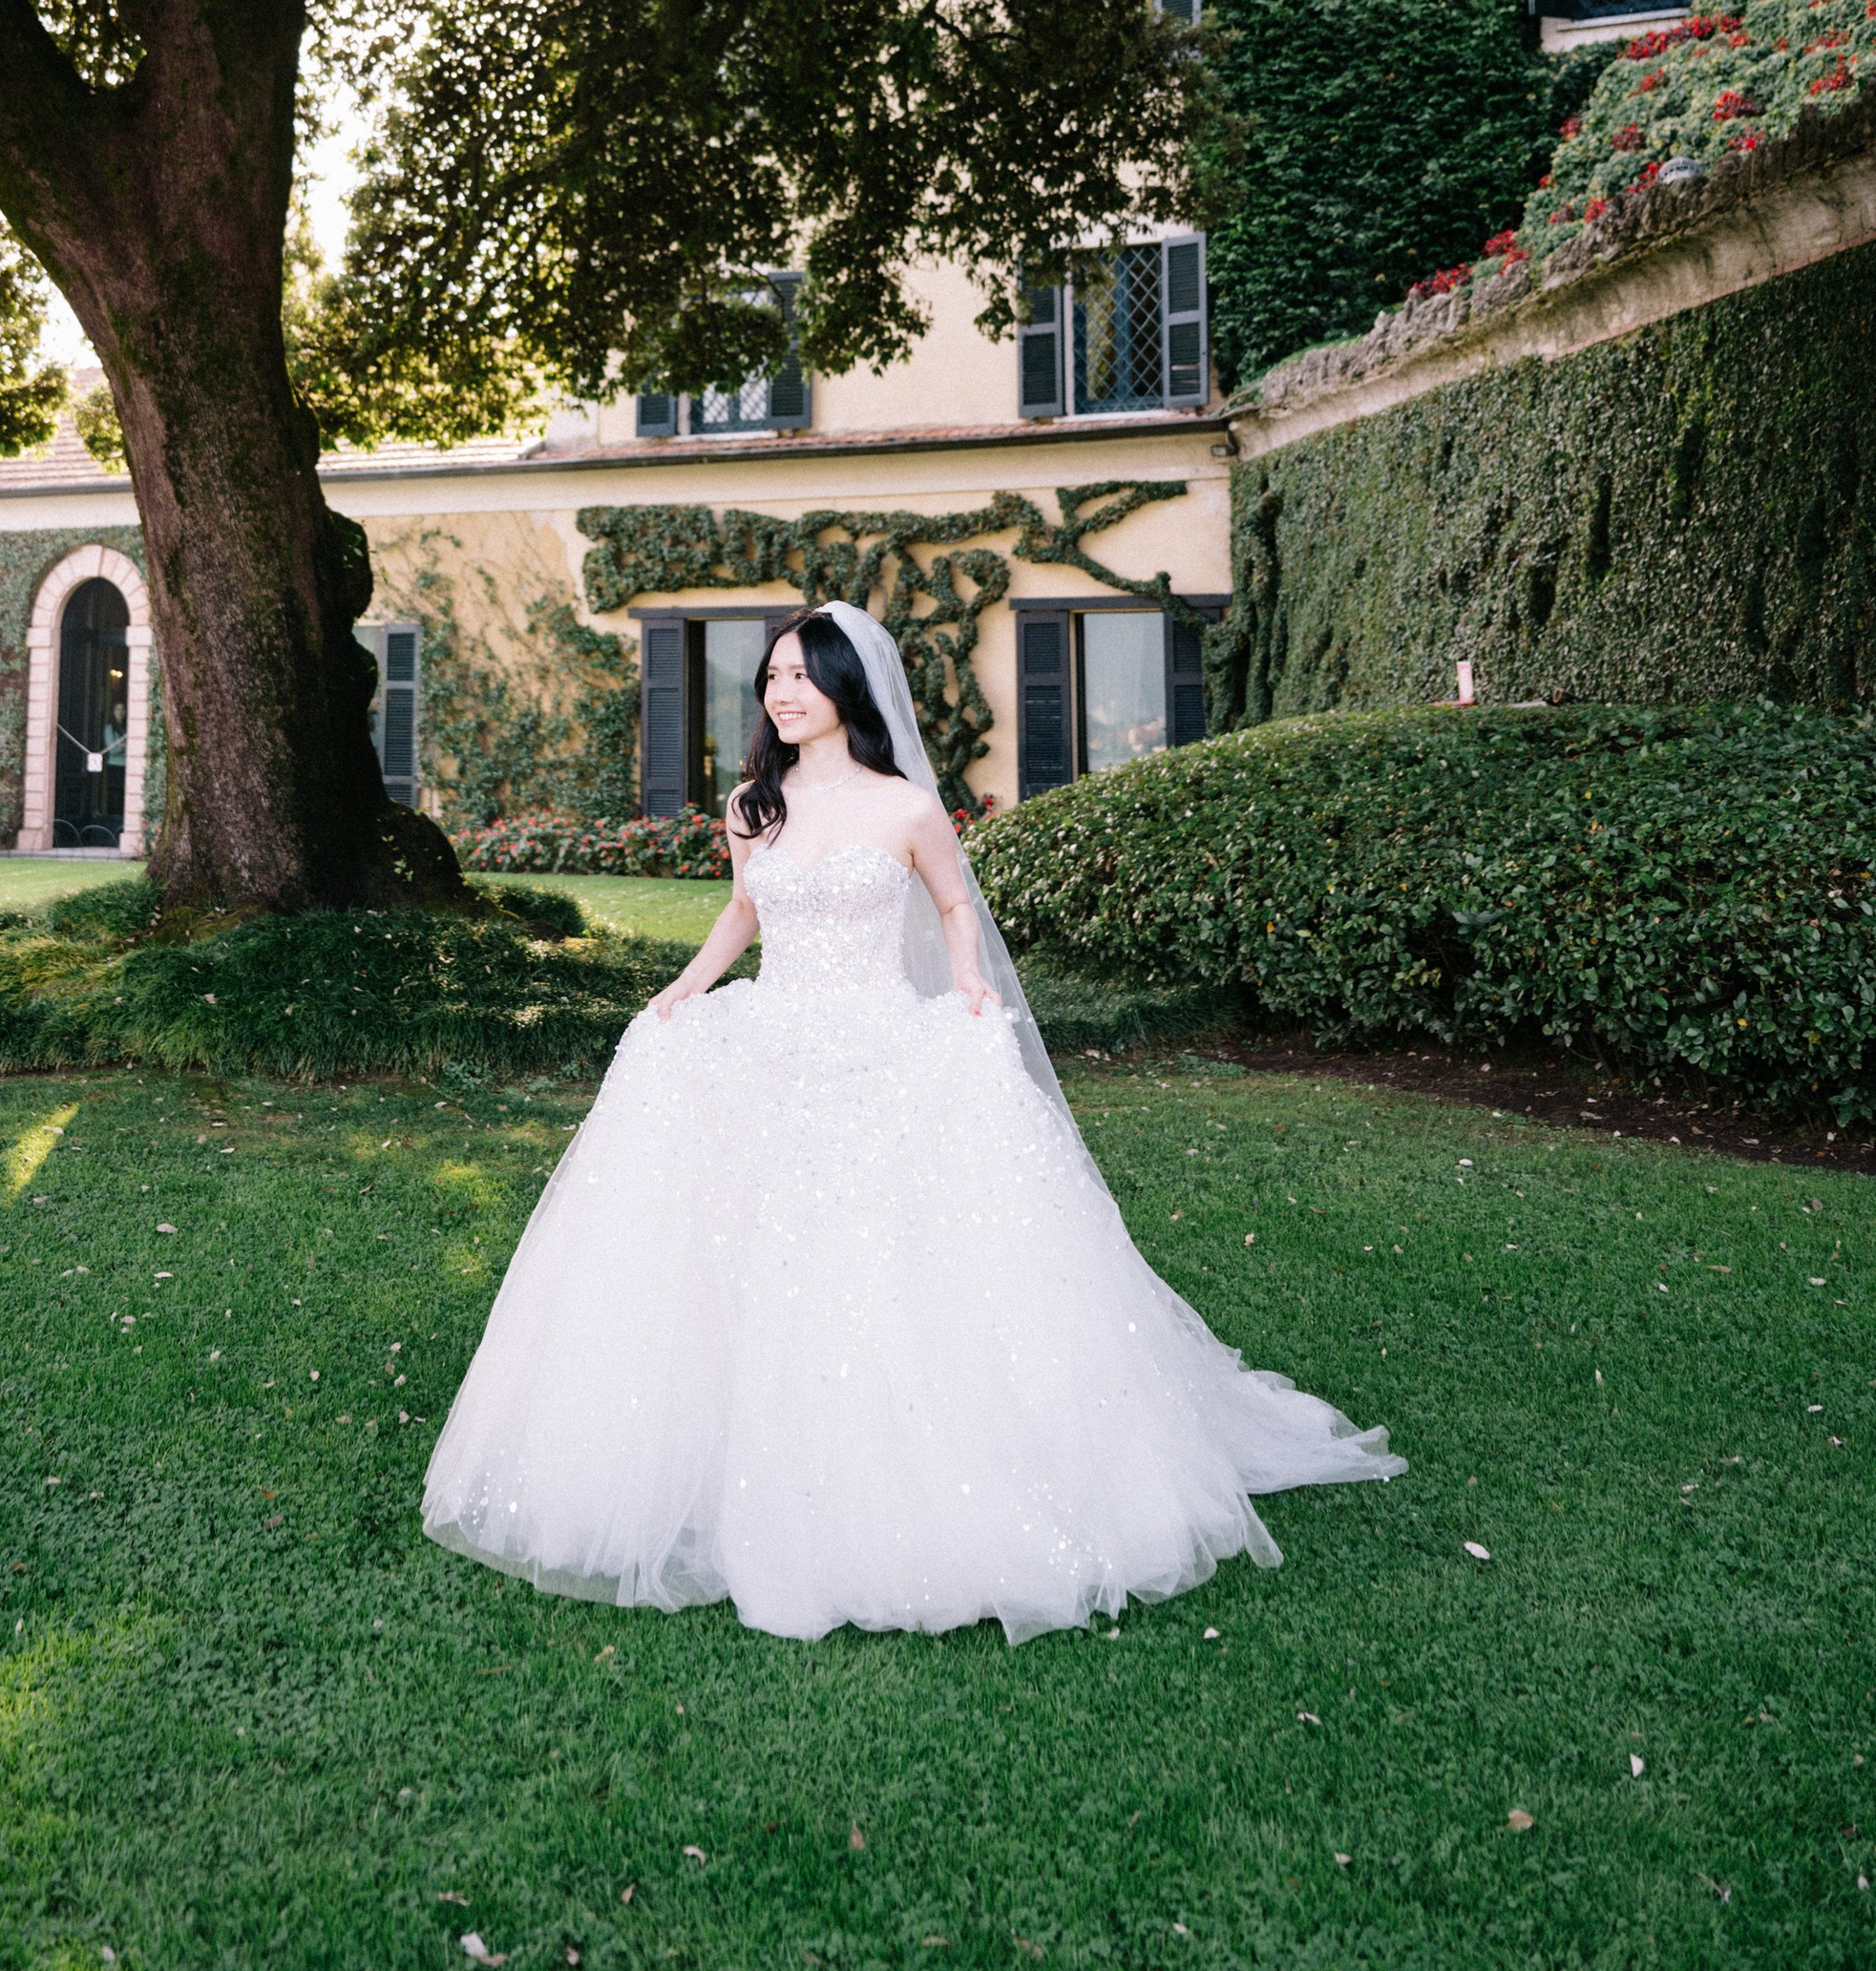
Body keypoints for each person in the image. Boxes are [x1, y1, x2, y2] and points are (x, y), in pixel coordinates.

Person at [423, 600, 1402, 1644]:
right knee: (720, 1207)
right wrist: (686, 985)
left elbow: (948, 908)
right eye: (771, 677)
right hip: (776, 1031)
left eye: (801, 673)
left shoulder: (905, 808)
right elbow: (745, 912)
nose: (780, 692)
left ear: (847, 686)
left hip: (880, 1034)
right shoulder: (756, 805)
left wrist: (972, 986)